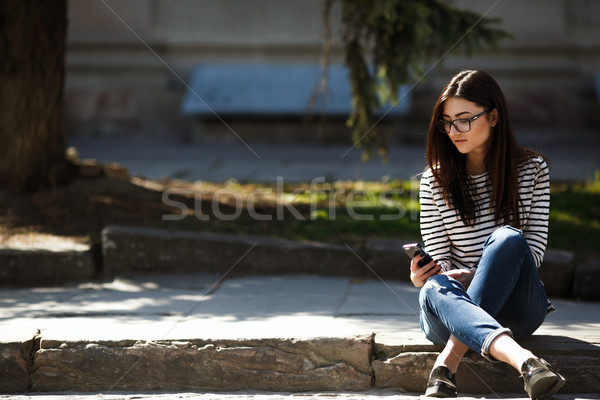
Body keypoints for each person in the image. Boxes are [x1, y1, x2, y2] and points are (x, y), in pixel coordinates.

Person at [410, 70, 566, 399]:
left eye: (464, 119)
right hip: (450, 314)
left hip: (517, 307)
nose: (454, 131)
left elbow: (532, 255)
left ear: (493, 116)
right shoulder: (433, 180)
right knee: (435, 284)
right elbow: (442, 261)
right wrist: (424, 274)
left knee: (508, 238)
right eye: (447, 122)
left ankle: (446, 363)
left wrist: (476, 275)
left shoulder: (533, 170)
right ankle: (526, 362)